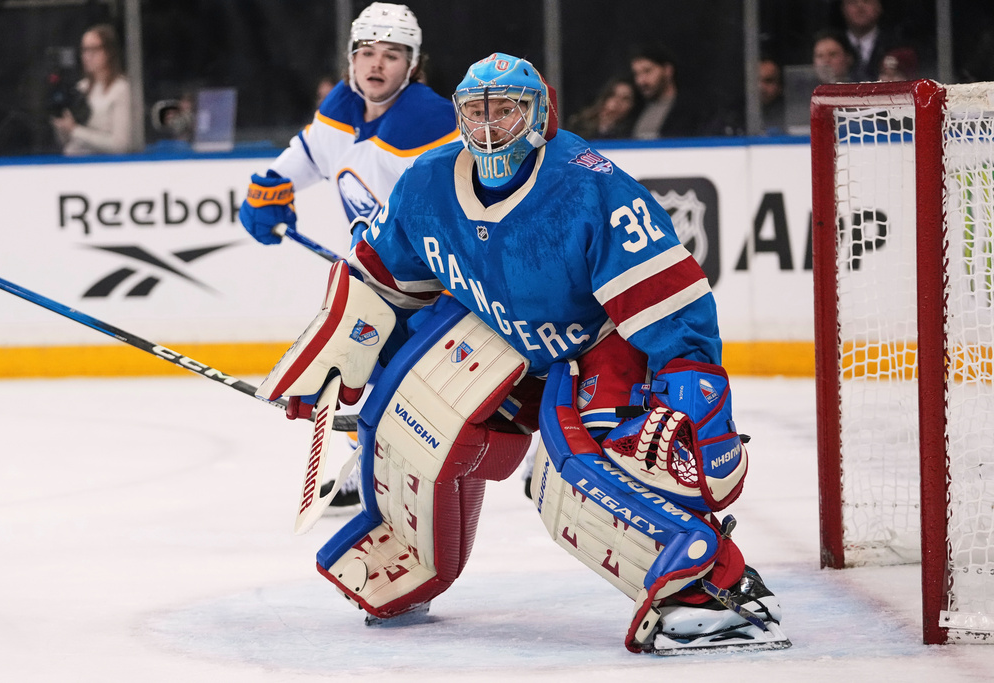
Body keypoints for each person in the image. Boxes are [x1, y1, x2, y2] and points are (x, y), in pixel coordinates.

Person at [256, 52, 790, 655]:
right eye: (476, 114)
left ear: (541, 115)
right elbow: (378, 286)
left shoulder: (589, 186)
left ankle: (714, 590)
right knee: (408, 414)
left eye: (506, 113)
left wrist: (696, 402)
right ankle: (413, 556)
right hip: (506, 344)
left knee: (572, 469)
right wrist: (334, 370)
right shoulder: (427, 184)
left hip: (597, 344)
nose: (488, 130)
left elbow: (673, 308)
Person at [239, 3, 458, 511]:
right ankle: (367, 462)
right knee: (356, 363)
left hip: (438, 284)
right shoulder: (342, 106)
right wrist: (271, 188)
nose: (376, 65)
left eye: (392, 55)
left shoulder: (431, 119)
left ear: (413, 65)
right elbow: (312, 156)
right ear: (351, 59)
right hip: (378, 277)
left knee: (439, 385)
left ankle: (539, 450)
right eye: (366, 53)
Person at [50, 23, 135, 155]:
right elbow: (66, 141)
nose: (87, 56)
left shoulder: (121, 89)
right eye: (84, 50)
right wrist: (61, 125)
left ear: (108, 52)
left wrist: (75, 130)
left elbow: (121, 144)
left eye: (93, 50)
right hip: (73, 162)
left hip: (104, 166)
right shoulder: (80, 88)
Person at [629, 44, 704, 139]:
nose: (641, 81)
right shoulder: (635, 110)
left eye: (647, 71)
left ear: (668, 70)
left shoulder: (693, 109)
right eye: (637, 74)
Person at [841, 0, 901, 82]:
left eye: (867, 1)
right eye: (853, 2)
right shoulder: (831, 45)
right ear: (843, 8)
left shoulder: (897, 44)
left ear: (879, 7)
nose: (860, 7)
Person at [565, 76, 638, 140]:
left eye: (625, 99)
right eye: (613, 95)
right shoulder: (579, 123)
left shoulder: (632, 132)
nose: (617, 102)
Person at [759, 57, 786, 135]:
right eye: (756, 80)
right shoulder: (737, 115)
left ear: (780, 85)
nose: (761, 87)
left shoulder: (791, 114)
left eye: (768, 81)